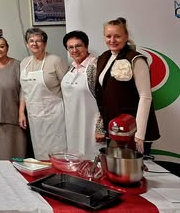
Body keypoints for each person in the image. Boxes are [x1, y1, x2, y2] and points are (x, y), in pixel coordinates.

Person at [95, 17, 160, 154]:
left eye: (117, 36)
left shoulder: (136, 59)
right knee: (115, 165)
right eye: (108, 36)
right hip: (114, 127)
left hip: (132, 128)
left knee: (134, 166)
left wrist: (139, 135)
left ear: (126, 36)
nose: (112, 40)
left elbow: (145, 97)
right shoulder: (104, 57)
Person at [19, 28, 68, 160]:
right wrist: (21, 112)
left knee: (57, 151)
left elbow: (67, 88)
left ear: (45, 44)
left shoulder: (55, 61)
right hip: (34, 116)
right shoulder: (24, 63)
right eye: (31, 41)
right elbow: (24, 90)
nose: (34, 44)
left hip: (55, 116)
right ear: (27, 44)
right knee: (40, 150)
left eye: (38, 41)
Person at [61, 30, 104, 159]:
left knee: (92, 159)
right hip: (73, 125)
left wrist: (101, 127)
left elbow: (106, 100)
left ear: (86, 46)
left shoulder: (96, 67)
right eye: (70, 47)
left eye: (78, 46)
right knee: (75, 158)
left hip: (91, 126)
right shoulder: (72, 67)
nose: (74, 50)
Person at [0, 36, 26, 160]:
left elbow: (24, 90)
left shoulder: (18, 65)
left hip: (14, 116)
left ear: (7, 48)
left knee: (17, 154)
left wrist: (21, 113)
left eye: (2, 46)